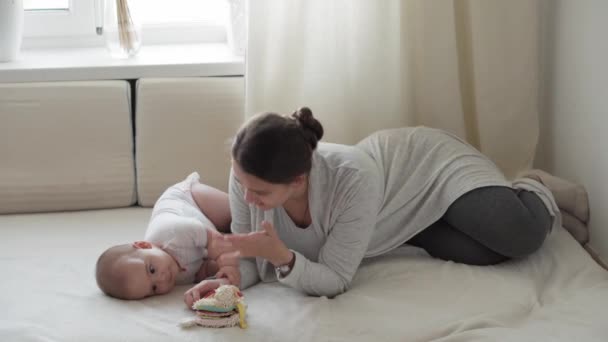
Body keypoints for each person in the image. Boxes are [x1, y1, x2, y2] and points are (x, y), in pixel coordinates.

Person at [188, 107, 587, 299]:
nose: (244, 197)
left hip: (425, 166)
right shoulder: (248, 174)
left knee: (519, 237)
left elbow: (336, 279)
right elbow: (250, 256)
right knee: (485, 254)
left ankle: (534, 187)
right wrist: (230, 280)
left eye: (258, 192)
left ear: (297, 180)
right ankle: (498, 215)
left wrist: (282, 257)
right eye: (240, 182)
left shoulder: (351, 179)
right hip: (390, 218)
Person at [96, 172, 238, 301]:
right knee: (237, 241)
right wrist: (212, 281)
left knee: (235, 215)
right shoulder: (173, 276)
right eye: (154, 288)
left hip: (190, 198)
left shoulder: (172, 231)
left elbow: (215, 240)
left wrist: (228, 265)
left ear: (144, 245)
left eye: (152, 270)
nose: (161, 279)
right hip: (201, 236)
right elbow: (202, 270)